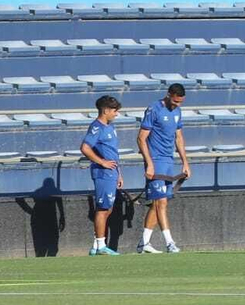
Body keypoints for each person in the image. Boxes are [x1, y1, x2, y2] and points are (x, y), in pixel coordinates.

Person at [136, 82, 189, 254]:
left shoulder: (177, 112)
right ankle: (169, 242)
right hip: (156, 160)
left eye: (180, 102)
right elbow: (141, 138)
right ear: (168, 95)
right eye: (175, 102)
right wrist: (149, 162)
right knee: (161, 202)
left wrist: (185, 162)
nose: (177, 105)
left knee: (158, 202)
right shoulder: (154, 109)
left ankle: (143, 243)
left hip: (168, 160)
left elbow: (179, 137)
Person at [80, 95, 123, 256]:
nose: (116, 114)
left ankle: (96, 244)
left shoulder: (110, 127)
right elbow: (85, 148)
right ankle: (100, 246)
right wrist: (102, 162)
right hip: (103, 173)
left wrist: (119, 174)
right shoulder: (96, 127)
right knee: (103, 208)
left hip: (112, 173)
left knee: (108, 208)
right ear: (105, 110)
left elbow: (113, 153)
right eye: (114, 110)